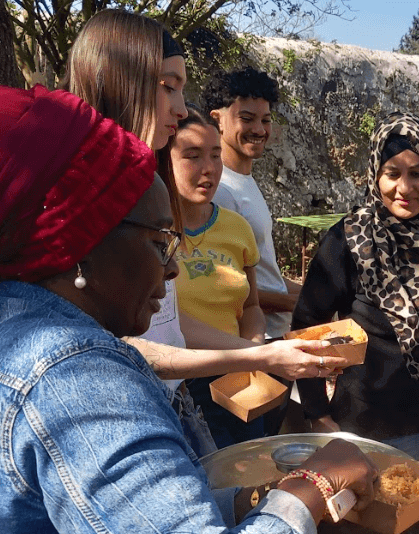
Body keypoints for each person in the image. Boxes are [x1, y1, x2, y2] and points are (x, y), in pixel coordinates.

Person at [0, 83, 376, 534]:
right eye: (157, 243)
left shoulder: (7, 331)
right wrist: (311, 487)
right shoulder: (73, 372)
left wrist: (250, 501)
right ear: (82, 244)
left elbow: (97, 521)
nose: (171, 271)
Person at [62, 10, 341, 455]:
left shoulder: (144, 190)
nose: (178, 106)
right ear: (119, 81)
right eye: (167, 86)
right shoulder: (86, 206)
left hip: (171, 402)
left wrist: (258, 353)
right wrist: (260, 353)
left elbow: (166, 332)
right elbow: (137, 350)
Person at [291, 112, 419, 475]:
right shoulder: (349, 238)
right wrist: (317, 414)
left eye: (417, 173)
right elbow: (307, 327)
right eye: (392, 174)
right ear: (375, 175)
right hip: (376, 428)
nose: (405, 188)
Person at [203, 67, 305, 436]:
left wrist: (307, 294)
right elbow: (234, 290)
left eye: (265, 119)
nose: (259, 129)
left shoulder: (244, 182)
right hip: (252, 344)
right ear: (217, 119)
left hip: (272, 336)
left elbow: (264, 271)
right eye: (246, 118)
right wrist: (302, 302)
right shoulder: (219, 192)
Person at [170, 105, 269, 447]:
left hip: (239, 381)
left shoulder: (236, 227)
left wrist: (253, 348)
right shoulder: (151, 230)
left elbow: (253, 306)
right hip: (180, 385)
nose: (209, 168)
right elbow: (166, 321)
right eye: (192, 156)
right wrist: (248, 353)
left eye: (215, 155)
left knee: (250, 476)